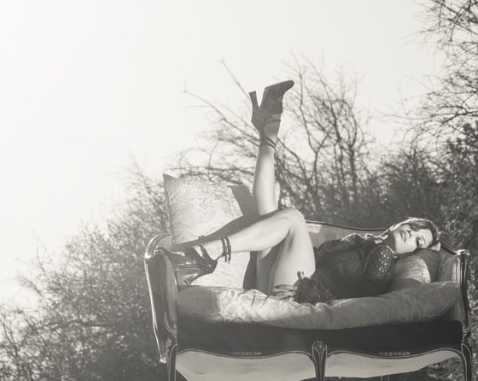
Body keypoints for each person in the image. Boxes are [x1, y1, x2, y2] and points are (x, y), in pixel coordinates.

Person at [168, 80, 439, 304]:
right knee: (269, 214)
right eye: (414, 227)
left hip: (297, 294)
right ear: (399, 224)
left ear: (411, 252)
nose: (412, 235)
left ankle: (207, 253)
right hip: (285, 280)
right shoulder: (367, 243)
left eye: (418, 241)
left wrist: (310, 293)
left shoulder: (383, 261)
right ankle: (268, 132)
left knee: (293, 218)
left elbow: (359, 300)